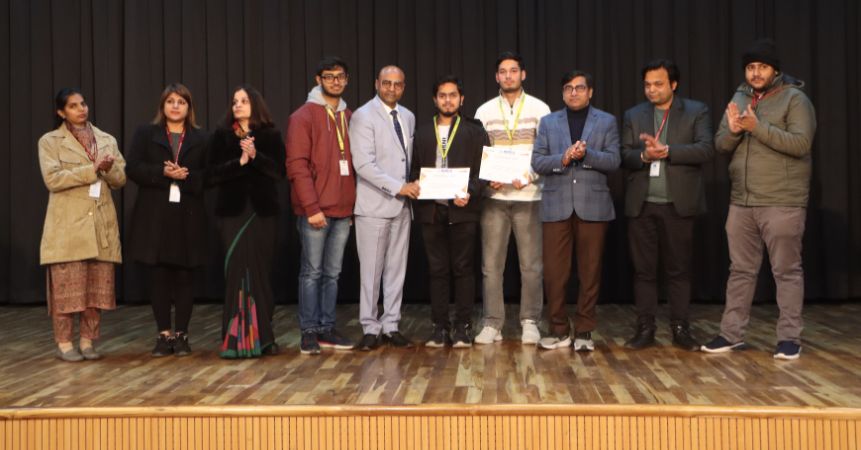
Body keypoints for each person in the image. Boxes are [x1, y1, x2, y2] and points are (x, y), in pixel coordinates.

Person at [703, 39, 816, 360]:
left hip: (782, 200)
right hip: (741, 200)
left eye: (762, 67)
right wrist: (734, 130)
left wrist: (757, 126)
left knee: (786, 271)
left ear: (775, 71)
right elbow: (721, 145)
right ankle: (731, 334)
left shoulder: (795, 99)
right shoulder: (739, 97)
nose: (755, 73)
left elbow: (801, 144)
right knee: (740, 270)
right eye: (751, 67)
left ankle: (789, 338)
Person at [620, 60, 714, 351]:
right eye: (647, 85)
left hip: (678, 204)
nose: (652, 90)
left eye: (658, 84)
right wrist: (645, 156)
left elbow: (706, 149)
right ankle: (645, 328)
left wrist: (668, 151)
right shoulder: (633, 115)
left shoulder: (696, 111)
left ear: (674, 84)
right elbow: (623, 155)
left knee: (679, 270)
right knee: (643, 271)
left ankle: (680, 328)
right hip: (642, 204)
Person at [531, 70, 620, 352]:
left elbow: (614, 160)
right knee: (554, 274)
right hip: (556, 205)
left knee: (590, 272)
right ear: (562, 93)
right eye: (568, 88)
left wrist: (587, 155)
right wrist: (564, 157)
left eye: (580, 88)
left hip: (593, 206)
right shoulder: (548, 122)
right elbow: (538, 162)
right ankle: (558, 330)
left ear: (590, 92)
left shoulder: (606, 121)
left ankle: (584, 331)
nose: (574, 92)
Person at [38, 88, 126, 362]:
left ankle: (88, 342)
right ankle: (65, 344)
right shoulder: (50, 141)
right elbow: (53, 179)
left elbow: (120, 179)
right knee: (67, 292)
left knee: (94, 292)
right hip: (68, 227)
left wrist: (108, 168)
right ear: (61, 112)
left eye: (83, 103)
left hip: (99, 223)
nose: (81, 109)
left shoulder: (106, 139)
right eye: (73, 106)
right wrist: (92, 169)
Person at [473, 51, 551, 345]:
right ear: (497, 77)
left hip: (529, 196)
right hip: (494, 197)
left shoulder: (540, 109)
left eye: (513, 70)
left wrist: (529, 176)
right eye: (503, 71)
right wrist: (486, 177)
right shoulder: (484, 111)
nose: (508, 76)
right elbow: (478, 153)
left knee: (531, 265)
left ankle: (530, 321)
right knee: (491, 266)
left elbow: (546, 151)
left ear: (523, 74)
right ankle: (492, 323)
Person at [127, 83, 209, 357]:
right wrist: (162, 173)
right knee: (159, 276)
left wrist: (187, 176)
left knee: (185, 277)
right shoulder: (146, 133)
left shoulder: (201, 138)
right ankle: (164, 335)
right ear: (162, 105)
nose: (175, 106)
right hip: (155, 216)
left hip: (188, 216)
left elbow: (210, 175)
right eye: (171, 101)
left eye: (181, 102)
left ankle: (182, 335)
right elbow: (132, 168)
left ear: (189, 107)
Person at [207, 85, 286, 358]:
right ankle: (234, 340)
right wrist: (240, 162)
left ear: (255, 105)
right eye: (234, 101)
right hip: (232, 214)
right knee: (236, 275)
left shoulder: (271, 135)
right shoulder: (221, 137)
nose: (237, 105)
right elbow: (211, 175)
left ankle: (264, 338)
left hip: (262, 215)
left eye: (243, 101)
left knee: (261, 275)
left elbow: (279, 172)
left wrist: (255, 157)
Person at [286, 56, 357, 355]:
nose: (335, 81)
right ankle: (309, 331)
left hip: (343, 211)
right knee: (312, 273)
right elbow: (297, 166)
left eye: (340, 76)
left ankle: (327, 328)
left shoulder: (350, 116)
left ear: (346, 80)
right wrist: (312, 208)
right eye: (329, 76)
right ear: (318, 80)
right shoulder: (303, 116)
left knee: (332, 274)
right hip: (315, 211)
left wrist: (352, 207)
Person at [411, 75, 489, 348]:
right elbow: (414, 170)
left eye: (452, 95)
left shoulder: (474, 131)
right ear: (435, 100)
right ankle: (439, 327)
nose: (447, 100)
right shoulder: (422, 132)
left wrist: (470, 191)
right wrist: (417, 184)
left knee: (463, 269)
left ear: (461, 99)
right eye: (442, 95)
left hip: (463, 210)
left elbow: (484, 171)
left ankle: (463, 326)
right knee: (437, 271)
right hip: (431, 210)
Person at [349, 65, 418, 351]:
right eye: (386, 83)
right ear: (376, 84)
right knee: (371, 272)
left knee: (396, 271)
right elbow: (363, 164)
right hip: (373, 207)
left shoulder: (408, 116)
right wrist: (399, 187)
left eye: (397, 84)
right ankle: (369, 327)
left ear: (403, 87)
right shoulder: (363, 116)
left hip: (403, 207)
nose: (391, 88)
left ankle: (391, 325)